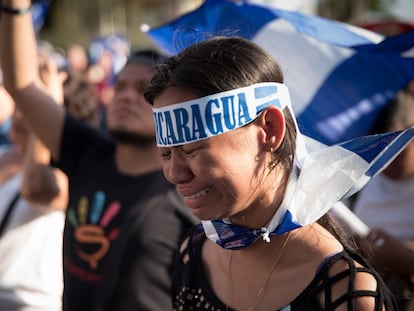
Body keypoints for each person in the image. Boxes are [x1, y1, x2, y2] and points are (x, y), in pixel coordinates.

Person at [144, 36, 397, 310]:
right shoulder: (193, 251)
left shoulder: (345, 292)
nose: (175, 173)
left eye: (192, 149)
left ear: (270, 130)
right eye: (166, 154)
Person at [0, 2, 197, 310]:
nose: (127, 96)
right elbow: (22, 84)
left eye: (143, 90)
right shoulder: (88, 152)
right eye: (120, 87)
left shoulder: (190, 191)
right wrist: (16, 9)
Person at [352, 87, 414, 311]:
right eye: (376, 150)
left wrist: (403, 257)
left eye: (395, 150)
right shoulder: (357, 178)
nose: (384, 162)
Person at [0, 109, 68, 310]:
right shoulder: (3, 155)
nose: (20, 116)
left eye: (28, 108)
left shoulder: (61, 178)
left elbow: (35, 188)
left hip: (29, 301)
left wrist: (44, 111)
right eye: (19, 106)